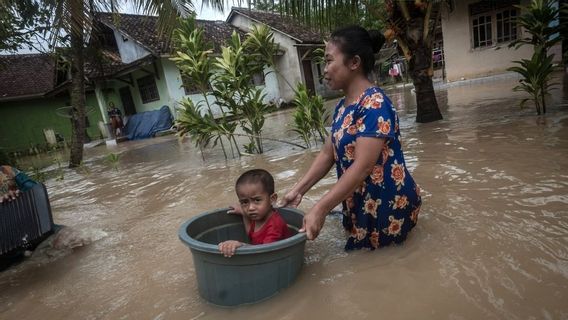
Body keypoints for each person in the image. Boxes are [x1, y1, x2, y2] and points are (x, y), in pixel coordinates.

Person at [279, 25, 422, 250]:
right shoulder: (342, 106)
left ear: (354, 63)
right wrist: (298, 191)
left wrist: (320, 208)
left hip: (386, 207)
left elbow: (363, 166)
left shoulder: (374, 104)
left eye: (328, 61)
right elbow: (329, 153)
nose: (324, 69)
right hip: (357, 202)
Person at [218, 169, 291, 257]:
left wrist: (240, 245)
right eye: (245, 202)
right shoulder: (257, 216)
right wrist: (243, 213)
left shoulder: (275, 225)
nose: (250, 208)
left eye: (257, 200)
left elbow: (265, 252)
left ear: (272, 199)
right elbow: (251, 233)